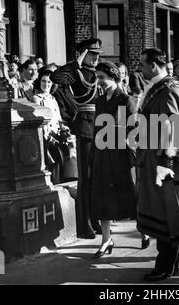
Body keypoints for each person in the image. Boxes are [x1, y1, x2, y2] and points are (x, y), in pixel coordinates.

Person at [136, 48, 179, 281]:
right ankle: (171, 262)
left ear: (154, 65)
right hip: (158, 159)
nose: (141, 69)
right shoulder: (162, 88)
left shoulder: (167, 90)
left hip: (166, 164)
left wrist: (164, 162)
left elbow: (172, 128)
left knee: (169, 215)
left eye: (143, 65)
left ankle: (166, 264)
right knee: (167, 214)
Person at [90, 61, 148, 258]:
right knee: (102, 197)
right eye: (97, 78)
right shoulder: (99, 101)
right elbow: (97, 129)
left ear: (113, 77)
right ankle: (106, 240)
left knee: (130, 196)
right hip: (102, 155)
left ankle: (144, 231)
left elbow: (135, 126)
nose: (98, 82)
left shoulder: (126, 99)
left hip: (121, 156)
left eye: (101, 78)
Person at [51, 38, 103, 239]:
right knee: (86, 178)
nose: (96, 57)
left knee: (97, 177)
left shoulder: (98, 73)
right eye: (92, 53)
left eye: (98, 53)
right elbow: (56, 77)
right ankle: (84, 225)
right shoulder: (76, 73)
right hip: (85, 127)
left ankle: (96, 219)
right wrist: (77, 62)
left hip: (101, 126)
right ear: (82, 54)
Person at [32, 70, 63, 184]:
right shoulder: (37, 98)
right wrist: (47, 135)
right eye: (44, 81)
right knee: (49, 163)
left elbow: (58, 118)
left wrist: (63, 129)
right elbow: (40, 119)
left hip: (56, 135)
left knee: (57, 164)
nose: (46, 84)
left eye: (49, 82)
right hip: (45, 136)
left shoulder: (53, 99)